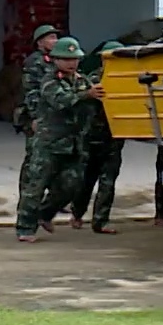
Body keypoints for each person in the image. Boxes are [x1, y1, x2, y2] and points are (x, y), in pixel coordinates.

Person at [14, 36, 103, 242]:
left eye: (75, 59)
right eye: (66, 59)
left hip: (73, 144)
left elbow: (94, 96)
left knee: (72, 184)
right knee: (35, 186)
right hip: (49, 143)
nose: (72, 63)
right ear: (55, 60)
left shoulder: (81, 80)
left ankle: (45, 215)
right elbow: (61, 100)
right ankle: (25, 228)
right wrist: (86, 95)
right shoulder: (50, 80)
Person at [70, 41, 125, 234]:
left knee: (108, 181)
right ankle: (77, 213)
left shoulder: (126, 80)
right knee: (86, 179)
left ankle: (101, 221)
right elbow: (75, 99)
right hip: (91, 136)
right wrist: (89, 94)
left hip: (114, 137)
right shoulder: (92, 79)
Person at [14, 24, 60, 192]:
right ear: (40, 42)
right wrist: (35, 117)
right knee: (34, 159)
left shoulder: (57, 59)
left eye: (56, 37)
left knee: (54, 159)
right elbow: (31, 91)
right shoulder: (34, 61)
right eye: (51, 38)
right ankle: (27, 195)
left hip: (53, 116)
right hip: (37, 115)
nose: (55, 41)